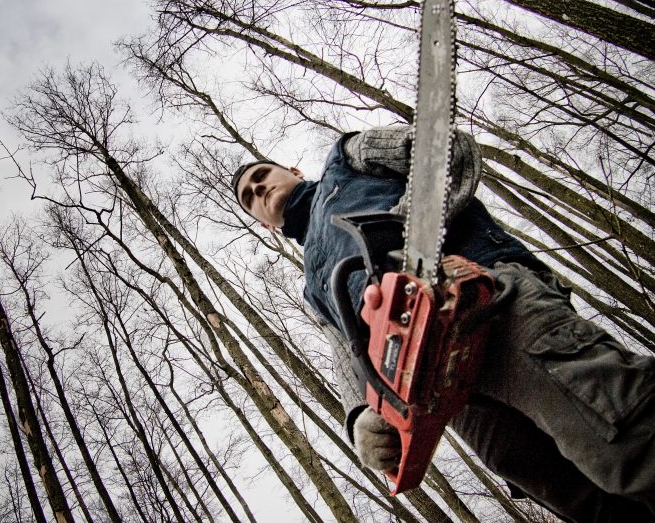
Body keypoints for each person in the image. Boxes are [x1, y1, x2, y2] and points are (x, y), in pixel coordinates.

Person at [232, 126, 655, 522]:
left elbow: (447, 147)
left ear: (291, 170)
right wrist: (361, 412)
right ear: (265, 224)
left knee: (617, 436)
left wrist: (410, 239)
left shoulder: (347, 158)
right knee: (567, 490)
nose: (260, 188)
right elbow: (347, 351)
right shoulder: (313, 286)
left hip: (486, 298)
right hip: (437, 385)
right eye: (251, 196)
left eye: (261, 175)